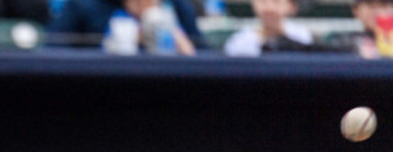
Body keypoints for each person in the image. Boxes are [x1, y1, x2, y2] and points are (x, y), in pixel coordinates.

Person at [48, 0, 203, 51]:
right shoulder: (84, 6)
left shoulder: (177, 7)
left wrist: (170, 32)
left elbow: (206, 57)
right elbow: (51, 55)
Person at [223, 0, 313, 56]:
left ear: (290, 6)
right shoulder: (240, 42)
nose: (269, 8)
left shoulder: (302, 36)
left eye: (276, 1)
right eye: (263, 1)